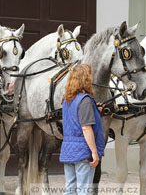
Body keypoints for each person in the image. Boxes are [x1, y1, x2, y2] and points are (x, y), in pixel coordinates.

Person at [59, 64, 105, 195]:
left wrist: (95, 110)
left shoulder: (66, 100)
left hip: (68, 150)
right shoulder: (85, 101)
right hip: (83, 151)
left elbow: (74, 120)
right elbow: (85, 128)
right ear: (86, 79)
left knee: (70, 190)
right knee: (84, 191)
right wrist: (94, 152)